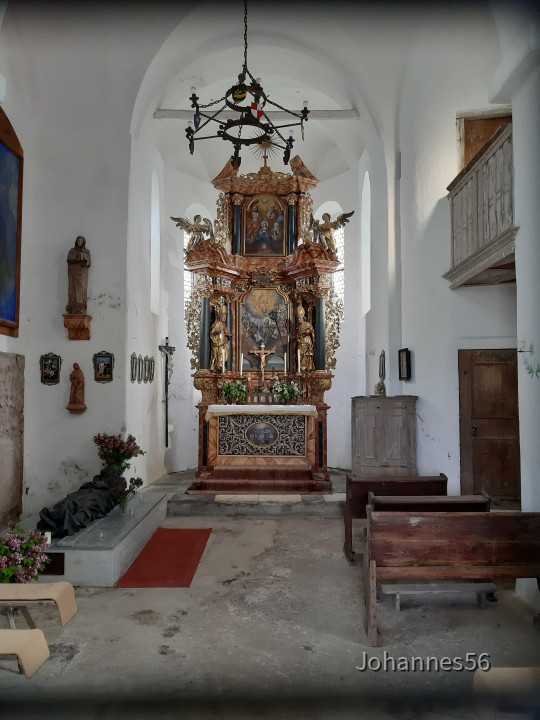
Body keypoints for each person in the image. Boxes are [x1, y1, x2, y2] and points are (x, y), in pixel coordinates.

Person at [66, 236, 91, 314]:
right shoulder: (72, 251)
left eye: (81, 241)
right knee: (72, 289)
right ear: (76, 241)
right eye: (78, 241)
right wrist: (75, 258)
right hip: (73, 271)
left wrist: (83, 258)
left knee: (80, 288)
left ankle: (81, 306)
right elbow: (68, 259)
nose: (79, 242)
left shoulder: (86, 251)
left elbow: (88, 263)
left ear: (83, 242)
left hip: (81, 273)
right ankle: (72, 306)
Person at [210, 305, 231, 372]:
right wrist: (217, 331)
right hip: (218, 342)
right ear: (220, 317)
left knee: (223, 355)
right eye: (223, 318)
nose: (224, 319)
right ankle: (218, 366)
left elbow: (227, 332)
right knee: (218, 355)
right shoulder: (217, 324)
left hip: (223, 343)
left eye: (225, 318)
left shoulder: (224, 325)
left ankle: (222, 365)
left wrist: (228, 333)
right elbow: (212, 332)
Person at [296, 305, 315, 372]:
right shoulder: (300, 326)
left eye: (300, 318)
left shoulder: (307, 324)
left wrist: (303, 332)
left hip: (306, 341)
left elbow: (309, 331)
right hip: (301, 341)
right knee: (300, 354)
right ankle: (301, 367)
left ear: (303, 318)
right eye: (298, 318)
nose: (299, 320)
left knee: (306, 354)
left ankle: (306, 367)